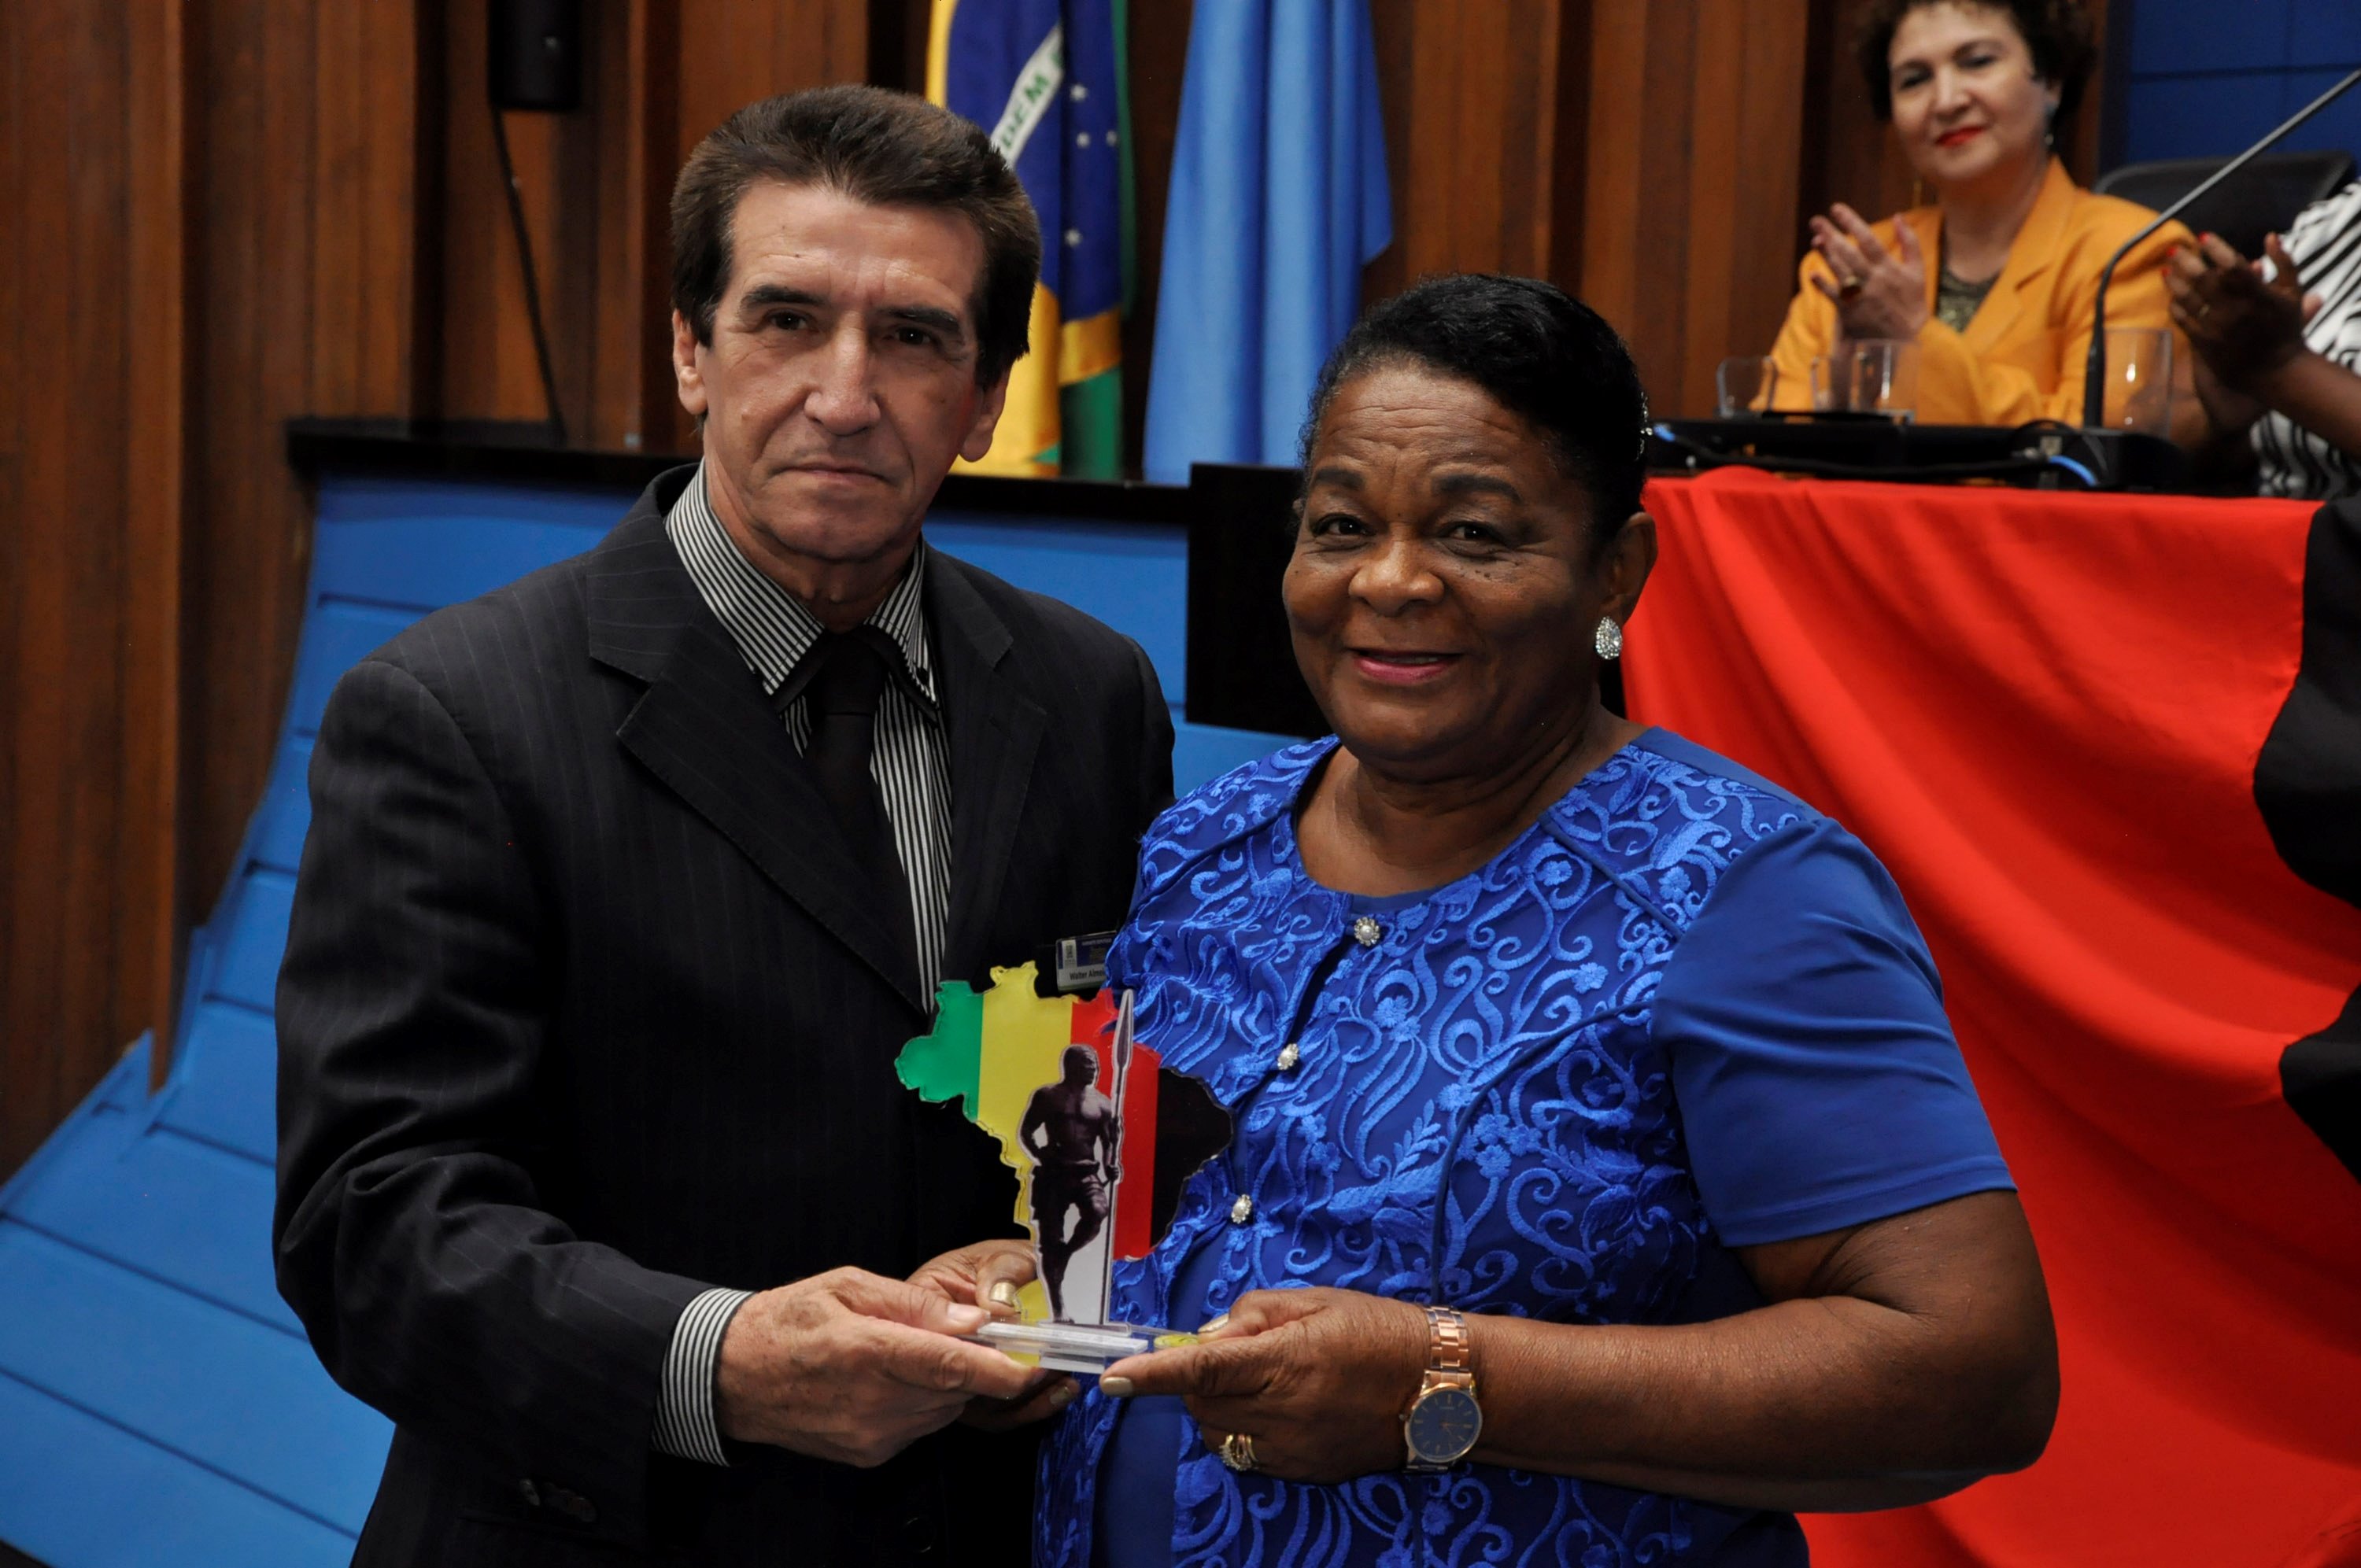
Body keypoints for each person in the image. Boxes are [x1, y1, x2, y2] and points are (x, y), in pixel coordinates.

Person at [272, 86, 1172, 1566]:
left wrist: (1060, 1277)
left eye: (915, 336)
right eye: (787, 320)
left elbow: (1102, 1092)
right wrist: (722, 1358)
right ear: (691, 350)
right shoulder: (453, 711)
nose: (845, 394)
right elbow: (372, 1222)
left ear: (987, 399)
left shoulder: (1093, 697)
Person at [1035, 275, 2059, 1568]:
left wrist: (1445, 1378)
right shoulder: (1202, 846)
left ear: (1614, 571)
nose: (1390, 580)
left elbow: (1972, 1370)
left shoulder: (1743, 891)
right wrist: (1027, 1287)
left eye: (1473, 533)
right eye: (1342, 524)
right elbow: (1161, 1218)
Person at [1768, 0, 2193, 430]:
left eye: (1977, 62)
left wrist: (1913, 339)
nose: (1946, 101)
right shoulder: (1850, 269)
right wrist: (1840, 399)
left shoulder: (2130, 251)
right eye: (1915, 80)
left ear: (2051, 81)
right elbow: (1764, 448)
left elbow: (2098, 441)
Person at [2169, 181, 2361, 500]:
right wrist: (2226, 425)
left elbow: (2275, 366)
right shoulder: (2336, 219)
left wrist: (2284, 369)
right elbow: (2163, 446)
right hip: (2269, 521)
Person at [1023, 1045, 1120, 1319]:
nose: (1093, 1070)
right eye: (1087, 1065)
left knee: (1098, 1212)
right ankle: (1058, 1307)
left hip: (1086, 1172)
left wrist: (1111, 1164)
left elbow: (1108, 1142)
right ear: (1071, 1066)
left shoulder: (1102, 1103)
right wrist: (1039, 1154)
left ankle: (1066, 1253)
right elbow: (1027, 1131)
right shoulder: (1048, 1096)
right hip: (1054, 1174)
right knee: (1051, 1240)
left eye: (1095, 1066)